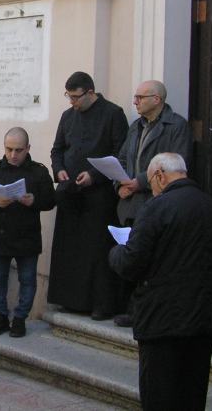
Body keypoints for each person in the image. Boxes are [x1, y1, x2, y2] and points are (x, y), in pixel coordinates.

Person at [108, 153, 212, 411]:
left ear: (160, 176)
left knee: (160, 396)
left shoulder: (156, 208)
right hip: (202, 320)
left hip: (161, 320)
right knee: (192, 393)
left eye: (151, 182)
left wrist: (116, 251)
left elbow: (131, 262)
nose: (152, 188)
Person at [49, 71, 128, 319]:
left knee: (96, 250)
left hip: (99, 195)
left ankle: (101, 304)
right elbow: (57, 149)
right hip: (70, 192)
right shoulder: (67, 116)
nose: (72, 102)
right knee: (69, 248)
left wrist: (94, 175)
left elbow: (119, 153)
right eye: (69, 97)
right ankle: (69, 299)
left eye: (76, 97)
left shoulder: (113, 114)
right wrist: (59, 169)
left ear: (90, 93)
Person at [114, 79, 192, 326]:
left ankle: (147, 310)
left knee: (155, 259)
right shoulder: (136, 126)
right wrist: (120, 184)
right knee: (134, 254)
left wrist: (138, 181)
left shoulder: (177, 126)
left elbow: (177, 163)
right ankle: (133, 308)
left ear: (156, 99)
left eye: (140, 97)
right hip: (132, 201)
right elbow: (123, 156)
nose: (135, 102)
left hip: (157, 200)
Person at [0, 127, 56, 338]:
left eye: (18, 150)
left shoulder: (38, 171)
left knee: (27, 279)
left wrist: (34, 201)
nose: (13, 155)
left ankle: (20, 318)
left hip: (26, 235)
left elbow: (51, 200)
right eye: (9, 149)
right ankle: (0, 316)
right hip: (0, 234)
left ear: (28, 148)